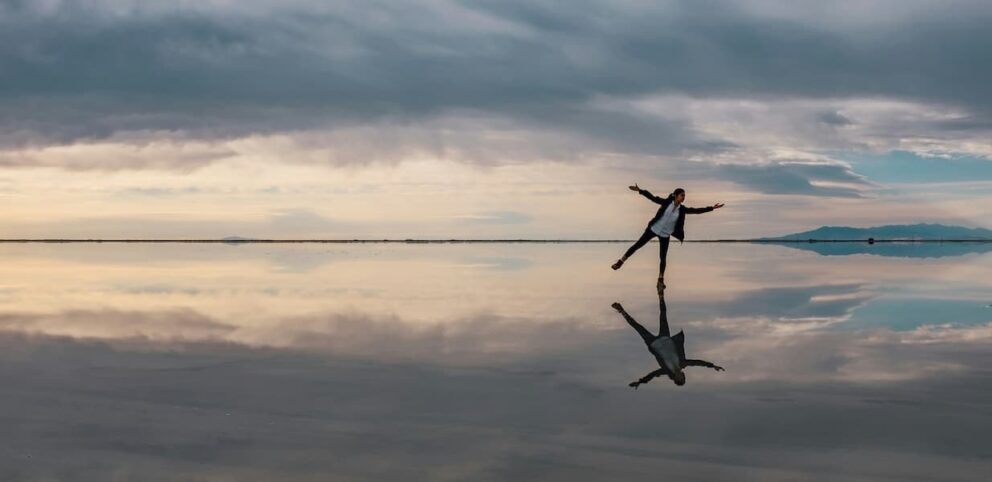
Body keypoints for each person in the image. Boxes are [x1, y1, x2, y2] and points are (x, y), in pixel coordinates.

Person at [612, 185, 724, 292]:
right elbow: (653, 198)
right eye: (682, 195)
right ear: (675, 195)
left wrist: (712, 208)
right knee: (637, 245)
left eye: (684, 195)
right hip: (653, 229)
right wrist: (640, 190)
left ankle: (660, 280)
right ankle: (620, 262)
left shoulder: (682, 209)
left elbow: (696, 211)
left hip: (665, 234)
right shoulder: (666, 203)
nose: (683, 197)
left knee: (663, 257)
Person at [611, 293, 724, 388]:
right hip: (665, 338)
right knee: (663, 314)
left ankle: (621, 311)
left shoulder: (665, 370)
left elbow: (653, 374)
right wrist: (712, 366)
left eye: (681, 378)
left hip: (654, 343)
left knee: (637, 327)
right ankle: (661, 294)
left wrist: (641, 382)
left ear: (675, 378)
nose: (682, 375)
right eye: (683, 377)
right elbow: (697, 362)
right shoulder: (683, 363)